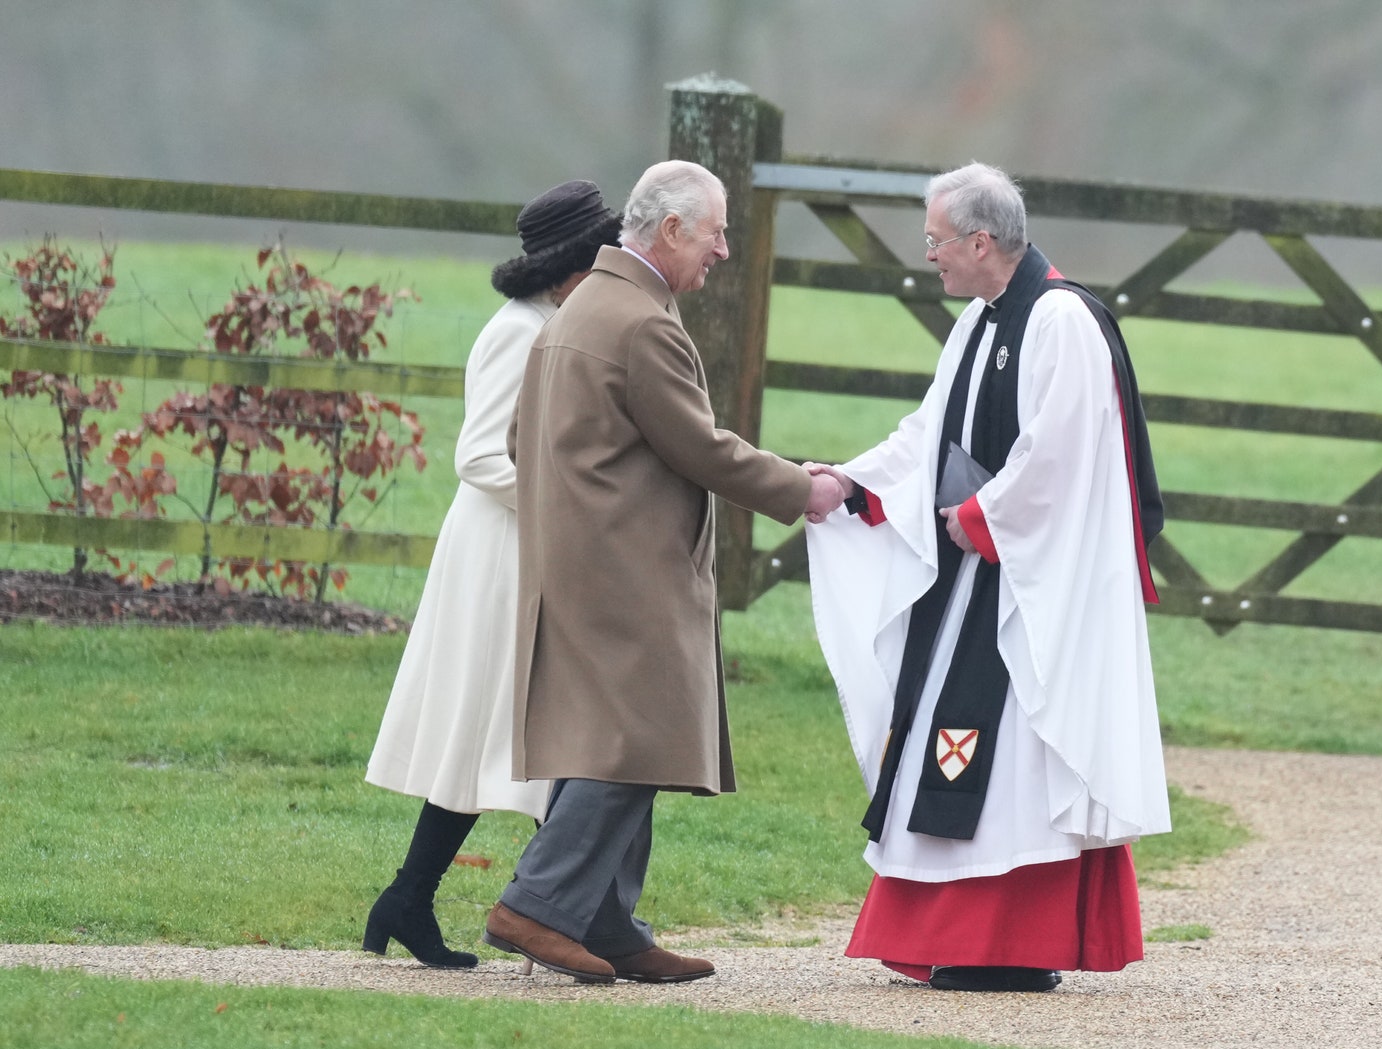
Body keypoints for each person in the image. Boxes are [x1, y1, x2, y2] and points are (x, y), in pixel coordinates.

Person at [804, 162, 1170, 993]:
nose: (927, 256)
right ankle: (954, 938)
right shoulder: (977, 321)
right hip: (975, 580)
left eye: (935, 241)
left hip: (1034, 590)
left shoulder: (1063, 320)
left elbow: (1064, 454)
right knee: (953, 747)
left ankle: (1009, 942)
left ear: (979, 241)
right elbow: (928, 437)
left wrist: (975, 520)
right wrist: (851, 484)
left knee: (1015, 762)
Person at [482, 159, 845, 985]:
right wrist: (806, 488)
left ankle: (608, 923)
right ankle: (535, 906)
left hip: (578, 564)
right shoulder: (640, 323)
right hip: (626, 574)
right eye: (716, 232)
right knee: (636, 741)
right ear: (673, 229)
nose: (723, 250)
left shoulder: (579, 311)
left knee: (615, 740)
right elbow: (701, 448)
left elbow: (517, 441)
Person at [363, 180, 623, 969]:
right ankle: (552, 913)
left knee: (504, 733)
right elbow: (478, 456)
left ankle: (421, 899)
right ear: (572, 263)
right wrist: (571, 506)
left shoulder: (553, 323)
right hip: (500, 553)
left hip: (525, 546)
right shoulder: (520, 332)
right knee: (497, 729)